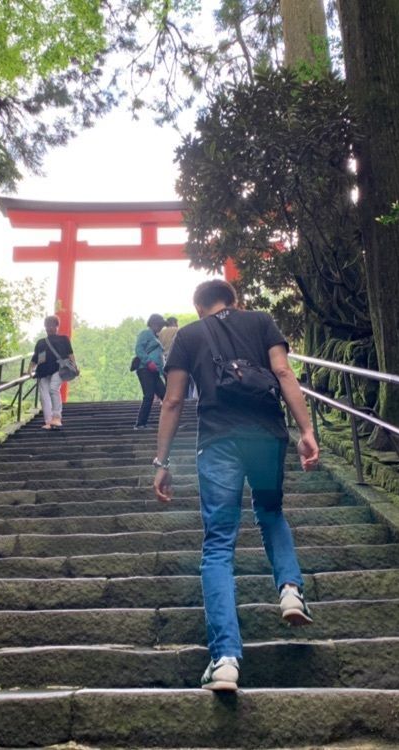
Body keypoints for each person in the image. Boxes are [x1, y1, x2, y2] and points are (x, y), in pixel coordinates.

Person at [152, 279, 319, 692]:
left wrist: (162, 462)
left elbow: (172, 401)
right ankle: (291, 590)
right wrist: (307, 430)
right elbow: (282, 371)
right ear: (234, 301)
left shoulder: (189, 336)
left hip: (218, 442)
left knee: (219, 545)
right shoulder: (261, 321)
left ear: (198, 306)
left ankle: (225, 659)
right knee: (270, 511)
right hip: (266, 436)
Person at [28, 315, 75, 430]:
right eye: (47, 326)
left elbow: (70, 354)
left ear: (57, 326)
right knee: (44, 396)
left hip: (58, 370)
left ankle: (57, 417)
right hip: (43, 371)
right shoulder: (41, 342)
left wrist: (74, 366)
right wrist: (29, 369)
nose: (49, 328)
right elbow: (35, 357)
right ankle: (48, 421)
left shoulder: (64, 339)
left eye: (52, 325)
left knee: (53, 389)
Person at [133, 313, 166, 429]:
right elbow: (139, 349)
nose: (161, 327)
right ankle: (140, 423)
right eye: (160, 324)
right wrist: (148, 361)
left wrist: (163, 372)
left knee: (165, 396)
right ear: (153, 324)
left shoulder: (155, 337)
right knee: (149, 396)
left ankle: (168, 423)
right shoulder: (146, 334)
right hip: (145, 369)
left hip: (155, 371)